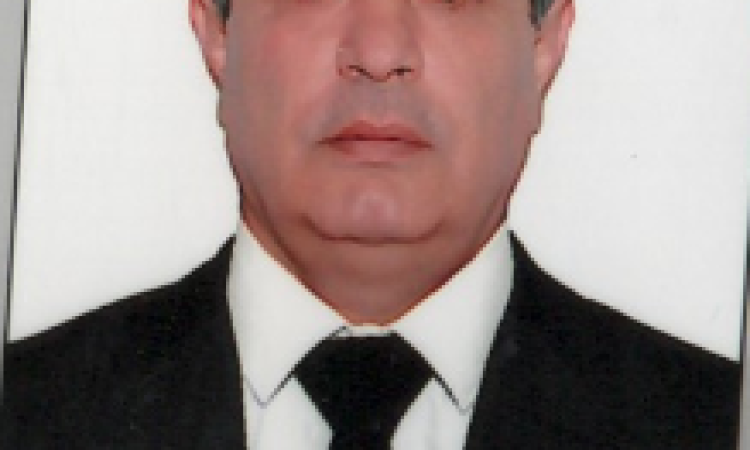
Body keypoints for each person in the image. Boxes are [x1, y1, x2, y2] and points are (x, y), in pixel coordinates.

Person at [3, 0, 741, 448]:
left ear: (546, 43)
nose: (381, 54)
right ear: (215, 31)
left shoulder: (710, 425)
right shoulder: (27, 412)